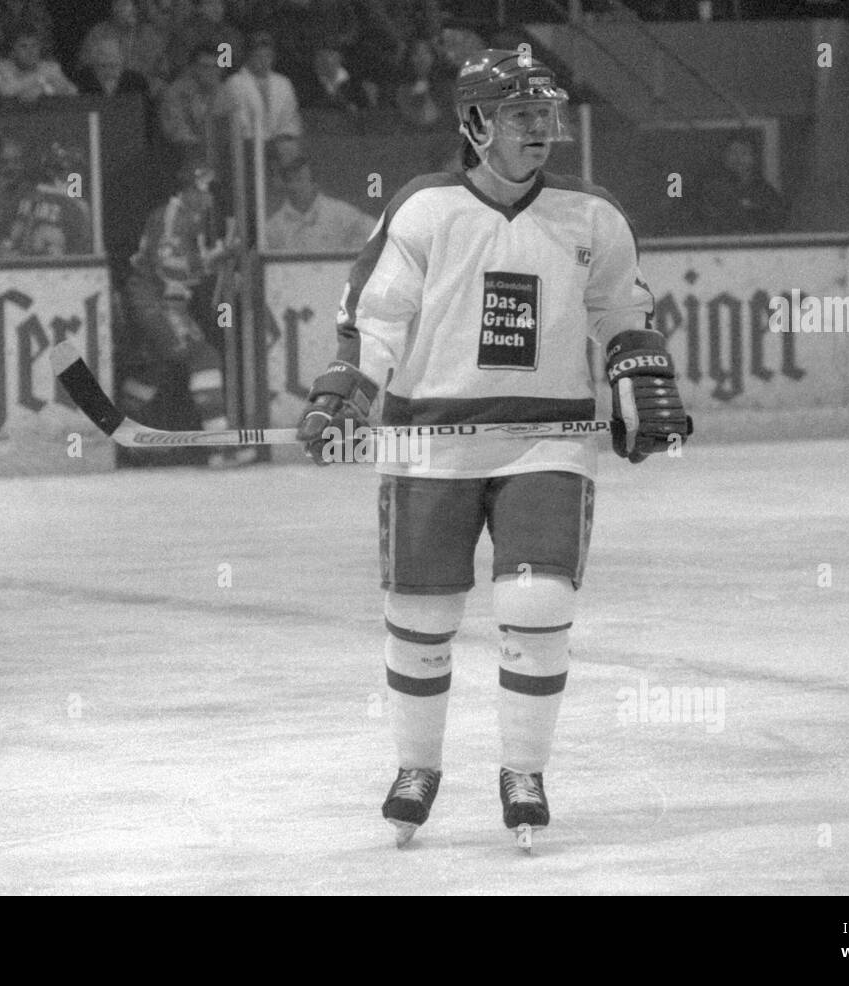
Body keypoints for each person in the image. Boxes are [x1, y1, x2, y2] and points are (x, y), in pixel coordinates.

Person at [295, 49, 691, 847]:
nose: (541, 127)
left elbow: (624, 310)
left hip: (545, 440)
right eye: (520, 113)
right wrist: (349, 389)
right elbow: (375, 320)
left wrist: (638, 375)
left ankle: (524, 770)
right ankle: (416, 765)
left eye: (546, 113)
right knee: (419, 614)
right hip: (429, 440)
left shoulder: (593, 215)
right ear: (475, 124)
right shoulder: (422, 209)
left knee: (539, 606)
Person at [121, 159, 251, 468]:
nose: (208, 198)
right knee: (203, 357)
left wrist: (215, 259)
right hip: (155, 303)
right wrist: (213, 258)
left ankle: (120, 437)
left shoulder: (189, 217)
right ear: (188, 190)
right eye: (203, 190)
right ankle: (222, 449)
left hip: (158, 302)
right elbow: (169, 267)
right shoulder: (172, 217)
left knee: (155, 366)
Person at [0, 142, 93, 256]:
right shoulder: (76, 208)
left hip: (21, 267)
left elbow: (6, 243)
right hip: (54, 269)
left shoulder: (23, 196)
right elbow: (83, 254)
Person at [264, 157, 374, 252]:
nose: (294, 186)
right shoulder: (274, 227)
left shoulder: (341, 213)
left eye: (300, 179)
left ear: (314, 183)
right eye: (289, 180)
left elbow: (378, 234)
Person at [695, 137, 787, 234]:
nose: (738, 158)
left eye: (744, 153)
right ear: (724, 157)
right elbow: (706, 221)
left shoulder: (764, 190)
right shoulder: (712, 189)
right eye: (733, 153)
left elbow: (776, 221)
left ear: (754, 158)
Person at [222, 32, 302, 141]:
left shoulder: (284, 83)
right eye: (258, 56)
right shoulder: (234, 83)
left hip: (281, 147)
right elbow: (239, 122)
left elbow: (291, 120)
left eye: (268, 56)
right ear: (248, 57)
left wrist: (282, 138)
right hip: (247, 147)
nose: (264, 61)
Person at [0, 23, 78, 101]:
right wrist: (40, 78)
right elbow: (8, 91)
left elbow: (72, 92)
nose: (31, 52)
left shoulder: (50, 67)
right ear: (12, 51)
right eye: (23, 46)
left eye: (34, 46)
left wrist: (40, 89)